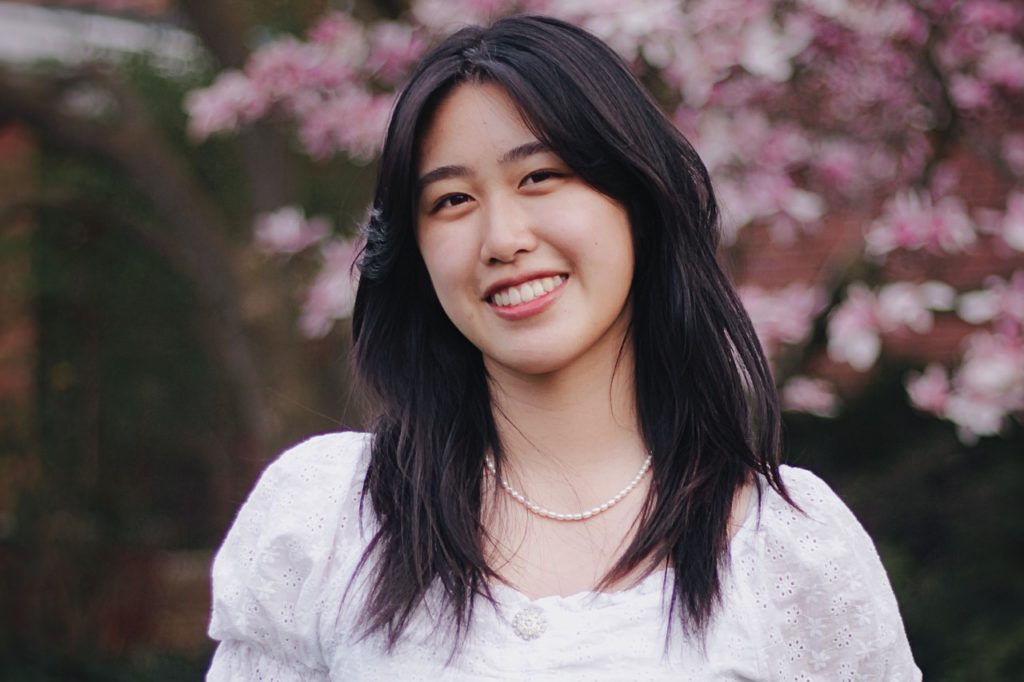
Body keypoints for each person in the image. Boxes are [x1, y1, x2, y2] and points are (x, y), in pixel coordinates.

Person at [206, 15, 921, 681]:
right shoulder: (327, 518)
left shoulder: (792, 552)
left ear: (637, 201)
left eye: (539, 177)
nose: (504, 239)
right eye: (452, 200)